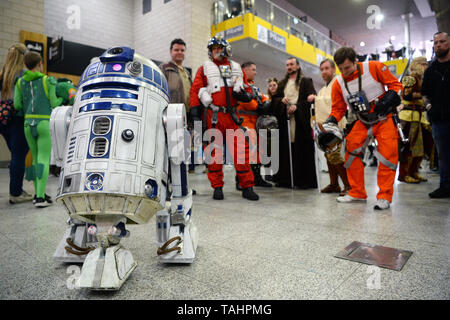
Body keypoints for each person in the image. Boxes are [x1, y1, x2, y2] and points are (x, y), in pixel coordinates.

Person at [324, 47, 403, 210]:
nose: (344, 72)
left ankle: (384, 196)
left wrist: (388, 100)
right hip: (363, 119)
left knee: (388, 155)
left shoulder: (373, 67)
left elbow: (396, 86)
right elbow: (338, 108)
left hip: (384, 117)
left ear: (355, 61)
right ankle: (357, 192)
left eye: (347, 67)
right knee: (351, 151)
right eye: (340, 68)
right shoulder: (338, 83)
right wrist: (332, 119)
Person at [189, 36, 259, 201]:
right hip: (213, 116)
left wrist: (246, 96)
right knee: (214, 154)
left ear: (226, 49)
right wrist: (194, 110)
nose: (217, 52)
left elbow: (247, 86)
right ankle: (217, 187)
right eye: (214, 49)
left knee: (241, 152)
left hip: (233, 116)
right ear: (210, 52)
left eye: (220, 48)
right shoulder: (204, 68)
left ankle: (247, 186)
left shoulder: (236, 67)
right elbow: (196, 88)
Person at [14, 51, 63, 207]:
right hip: (44, 123)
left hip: (28, 124)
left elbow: (17, 105)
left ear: (25, 65)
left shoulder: (20, 82)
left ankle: (38, 192)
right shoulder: (47, 80)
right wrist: (63, 98)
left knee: (34, 159)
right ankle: (39, 198)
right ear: (40, 64)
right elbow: (55, 103)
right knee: (43, 159)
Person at [271, 57, 317, 189]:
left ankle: (303, 181)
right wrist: (282, 101)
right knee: (286, 149)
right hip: (286, 121)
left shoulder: (306, 82)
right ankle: (286, 179)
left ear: (297, 66)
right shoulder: (282, 83)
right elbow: (275, 100)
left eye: (291, 64)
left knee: (301, 149)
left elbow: (311, 99)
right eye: (287, 65)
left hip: (300, 121)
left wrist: (297, 107)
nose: (289, 67)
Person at [311, 58, 351, 196]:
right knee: (328, 155)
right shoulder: (323, 89)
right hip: (324, 128)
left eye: (327, 68)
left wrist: (315, 99)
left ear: (334, 69)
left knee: (334, 155)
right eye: (322, 69)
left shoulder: (339, 82)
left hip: (336, 126)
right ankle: (334, 184)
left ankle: (348, 185)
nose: (324, 71)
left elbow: (339, 103)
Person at [0, 43, 33, 204]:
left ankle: (17, 189)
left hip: (3, 120)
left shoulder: (3, 74)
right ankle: (15, 193)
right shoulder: (24, 75)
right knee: (19, 156)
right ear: (23, 56)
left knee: (15, 156)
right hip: (19, 119)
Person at [159, 39, 196, 172]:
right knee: (171, 151)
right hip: (171, 115)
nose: (179, 53)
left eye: (182, 50)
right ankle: (170, 184)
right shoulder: (164, 69)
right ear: (170, 51)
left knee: (183, 151)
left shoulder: (186, 72)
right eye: (176, 50)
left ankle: (182, 184)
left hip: (185, 116)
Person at [422, 32, 450, 198]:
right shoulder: (431, 69)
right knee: (443, 156)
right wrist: (429, 106)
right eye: (436, 42)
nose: (438, 45)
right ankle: (445, 186)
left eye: (442, 42)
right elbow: (425, 92)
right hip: (439, 119)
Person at [236, 61, 272, 189]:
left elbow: (262, 97)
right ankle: (240, 180)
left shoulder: (252, 86)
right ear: (244, 70)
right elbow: (248, 101)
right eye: (253, 69)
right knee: (244, 153)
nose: (255, 72)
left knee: (257, 152)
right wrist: (259, 106)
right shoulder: (238, 84)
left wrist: (266, 102)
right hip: (244, 121)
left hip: (255, 121)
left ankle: (256, 177)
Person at [398, 57, 434, 184]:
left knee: (422, 146)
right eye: (423, 64)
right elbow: (406, 95)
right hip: (409, 116)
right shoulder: (412, 77)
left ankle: (414, 171)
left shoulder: (423, 78)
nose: (426, 67)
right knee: (408, 146)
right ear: (418, 65)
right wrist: (424, 94)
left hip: (420, 116)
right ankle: (404, 174)